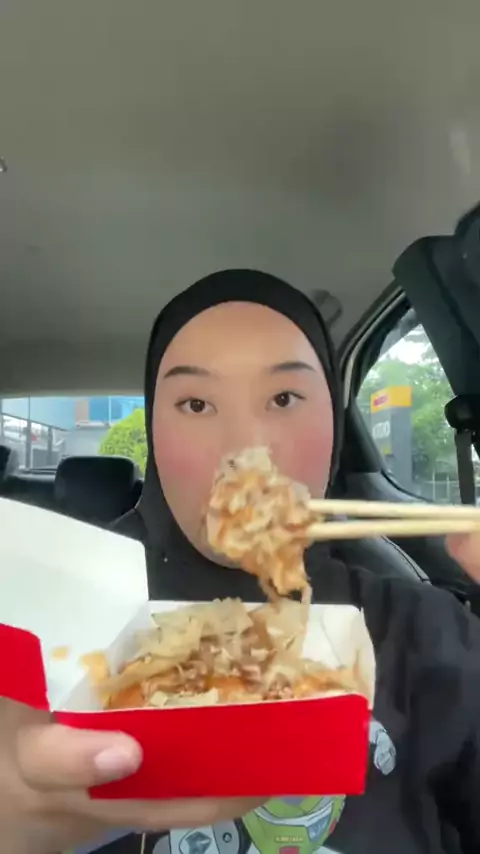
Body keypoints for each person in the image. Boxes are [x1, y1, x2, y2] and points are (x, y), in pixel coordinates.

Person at [2, 269, 480, 854]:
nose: (244, 448)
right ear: (154, 431)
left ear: (333, 420)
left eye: (284, 398)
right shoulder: (43, 634)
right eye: (196, 403)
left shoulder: (428, 634)